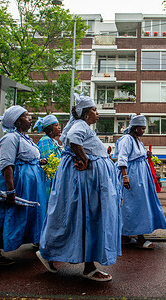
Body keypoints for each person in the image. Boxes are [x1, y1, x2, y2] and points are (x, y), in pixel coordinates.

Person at [37, 94, 121, 281]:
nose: (97, 113)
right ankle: (88, 266)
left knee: (80, 218)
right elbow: (74, 142)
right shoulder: (80, 126)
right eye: (94, 110)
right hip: (85, 182)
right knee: (87, 219)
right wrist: (85, 159)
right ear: (84, 113)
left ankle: (52, 252)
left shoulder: (82, 126)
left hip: (88, 180)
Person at [0, 105, 48, 265]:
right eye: (26, 116)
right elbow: (6, 165)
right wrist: (11, 189)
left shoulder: (24, 138)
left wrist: (37, 162)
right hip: (12, 186)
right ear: (18, 122)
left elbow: (24, 158)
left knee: (18, 215)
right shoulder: (10, 138)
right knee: (3, 214)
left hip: (26, 186)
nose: (30, 118)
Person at [114, 114, 166, 249]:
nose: (143, 131)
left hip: (141, 177)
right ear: (134, 127)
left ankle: (126, 235)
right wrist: (125, 176)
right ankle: (139, 238)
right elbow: (123, 157)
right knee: (135, 206)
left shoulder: (137, 140)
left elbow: (137, 155)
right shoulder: (126, 139)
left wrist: (145, 154)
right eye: (141, 128)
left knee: (136, 206)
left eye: (144, 128)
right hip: (132, 176)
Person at [34, 115, 62, 197]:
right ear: (50, 128)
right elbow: (49, 162)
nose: (59, 128)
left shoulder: (53, 141)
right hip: (48, 180)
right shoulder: (45, 141)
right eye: (56, 125)